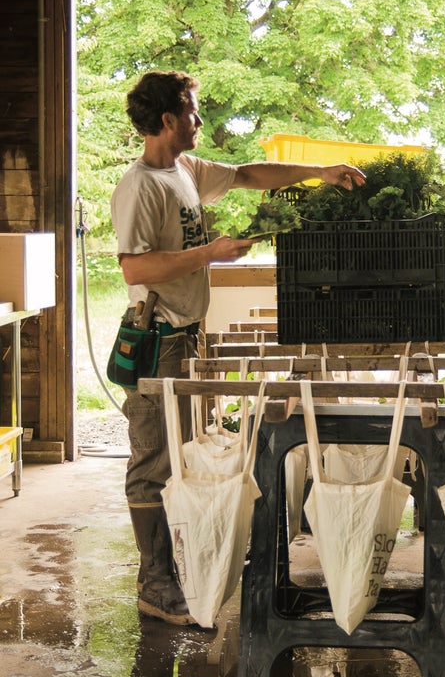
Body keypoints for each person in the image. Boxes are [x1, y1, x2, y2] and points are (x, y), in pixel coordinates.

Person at [111, 69, 365, 626]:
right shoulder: (140, 186)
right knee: (153, 459)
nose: (200, 120)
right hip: (157, 338)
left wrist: (318, 173)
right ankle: (154, 584)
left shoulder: (184, 170)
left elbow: (250, 174)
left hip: (186, 334)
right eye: (192, 111)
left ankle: (173, 570)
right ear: (167, 120)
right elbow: (136, 266)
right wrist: (211, 254)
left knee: (179, 453)